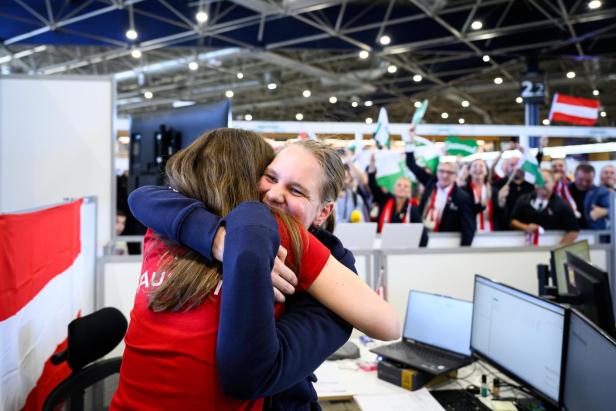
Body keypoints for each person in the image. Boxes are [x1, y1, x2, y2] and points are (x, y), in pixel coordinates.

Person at [120, 132, 401, 410]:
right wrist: (223, 242)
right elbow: (143, 197)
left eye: (296, 190)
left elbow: (387, 324)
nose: (275, 194)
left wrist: (243, 243)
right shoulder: (199, 226)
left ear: (323, 212)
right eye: (271, 177)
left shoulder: (313, 252)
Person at [406, 126, 475, 246]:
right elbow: (411, 164)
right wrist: (410, 141)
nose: (444, 175)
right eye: (441, 171)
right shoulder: (430, 183)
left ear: (455, 175)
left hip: (445, 243)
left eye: (449, 172)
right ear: (437, 172)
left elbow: (468, 229)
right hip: (422, 241)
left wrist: (464, 253)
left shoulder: (462, 197)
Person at [510, 169, 579, 245]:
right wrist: (525, 227)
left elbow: (574, 231)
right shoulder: (523, 200)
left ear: (554, 183)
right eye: (538, 182)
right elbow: (512, 221)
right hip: (525, 248)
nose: (541, 185)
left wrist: (559, 249)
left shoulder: (562, 205)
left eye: (545, 182)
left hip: (550, 248)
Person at [367, 152, 421, 233]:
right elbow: (372, 185)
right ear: (394, 189)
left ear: (409, 191)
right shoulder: (384, 199)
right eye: (399, 185)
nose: (402, 188)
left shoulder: (413, 208)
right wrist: (372, 165)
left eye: (405, 186)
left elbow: (420, 232)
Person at [492, 152, 534, 230]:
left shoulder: (531, 187)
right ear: (507, 167)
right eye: (512, 165)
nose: (516, 168)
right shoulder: (498, 185)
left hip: (526, 229)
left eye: (518, 165)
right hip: (503, 230)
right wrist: (499, 199)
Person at [568, 163, 610, 230]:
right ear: (575, 176)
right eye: (581, 179)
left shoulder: (601, 192)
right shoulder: (564, 189)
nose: (584, 183)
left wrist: (605, 211)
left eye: (588, 181)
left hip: (593, 233)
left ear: (593, 178)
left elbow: (612, 210)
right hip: (568, 231)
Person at [461, 159, 496, 233]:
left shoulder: (494, 190)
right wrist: (481, 205)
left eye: (481, 166)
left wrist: (501, 203)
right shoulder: (462, 191)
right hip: (470, 233)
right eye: (474, 166)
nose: (478, 168)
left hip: (491, 233)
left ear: (486, 171)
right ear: (469, 171)